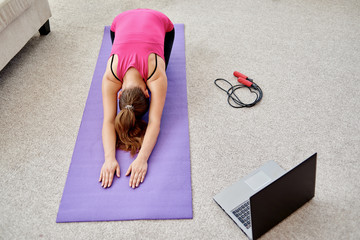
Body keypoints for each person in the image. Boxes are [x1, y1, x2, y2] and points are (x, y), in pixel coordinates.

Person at [98, 9, 175, 189]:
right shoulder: (110, 78)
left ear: (119, 93)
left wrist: (142, 159)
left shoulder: (156, 75)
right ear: (147, 92)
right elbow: (153, 122)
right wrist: (109, 159)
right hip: (118, 23)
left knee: (166, 66)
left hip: (160, 21)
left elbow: (109, 121)